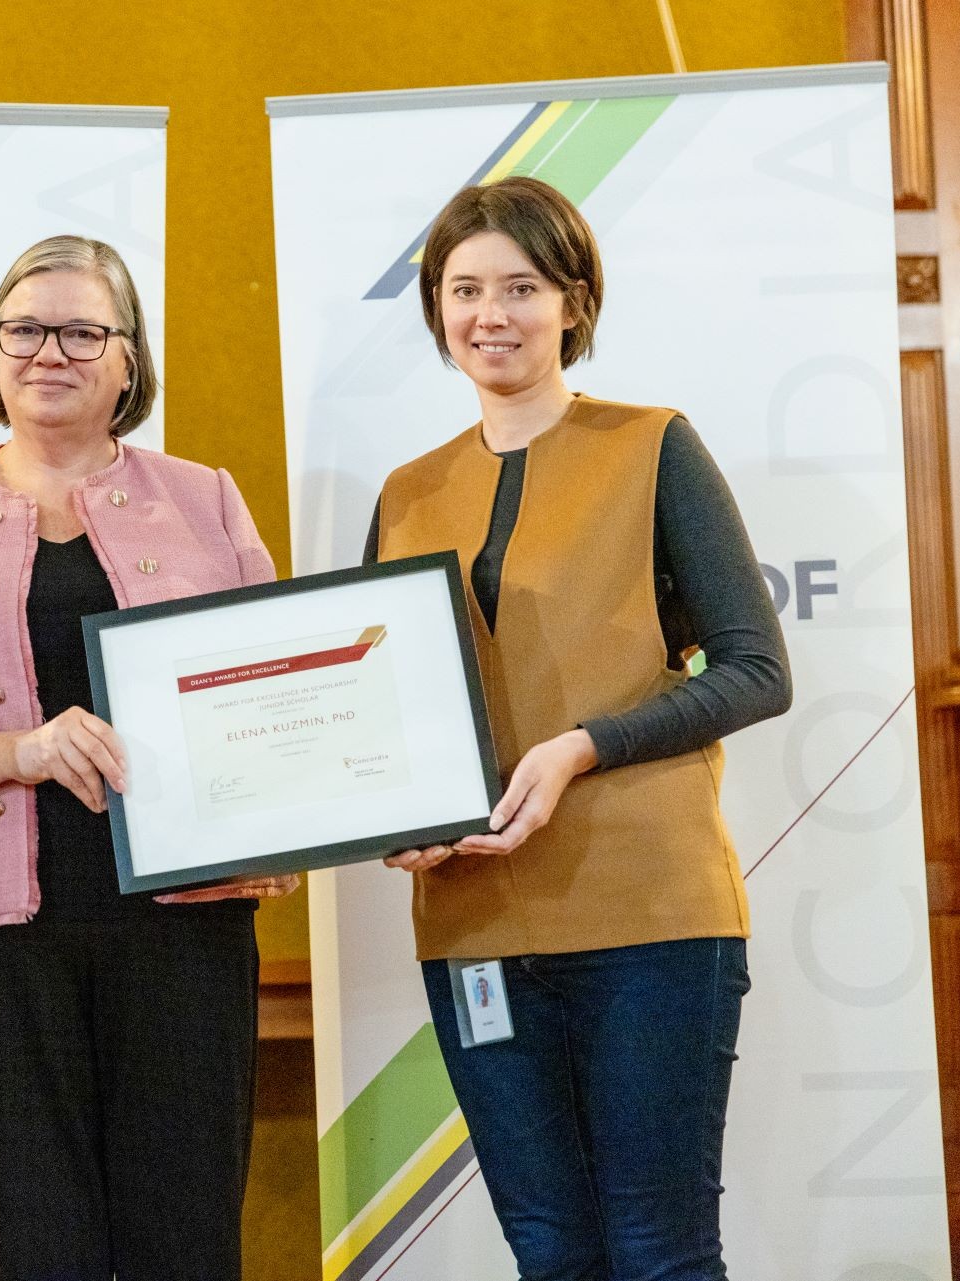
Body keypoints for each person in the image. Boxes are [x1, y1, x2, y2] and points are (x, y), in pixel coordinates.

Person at [0, 234, 295, 1281]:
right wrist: (15, 753)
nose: (52, 350)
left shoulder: (207, 498)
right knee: (44, 1247)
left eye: (85, 329)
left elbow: (269, 700)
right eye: (25, 328)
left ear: (130, 360)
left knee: (188, 1244)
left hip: (187, 921)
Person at [368, 175, 791, 1279]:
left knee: (658, 1252)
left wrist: (581, 746)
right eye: (465, 289)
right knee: (550, 1253)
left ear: (574, 302)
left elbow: (754, 670)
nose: (490, 314)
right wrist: (387, 820)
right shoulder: (407, 492)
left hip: (649, 919)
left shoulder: (654, 446)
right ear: (436, 309)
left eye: (521, 286)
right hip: (473, 929)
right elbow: (387, 718)